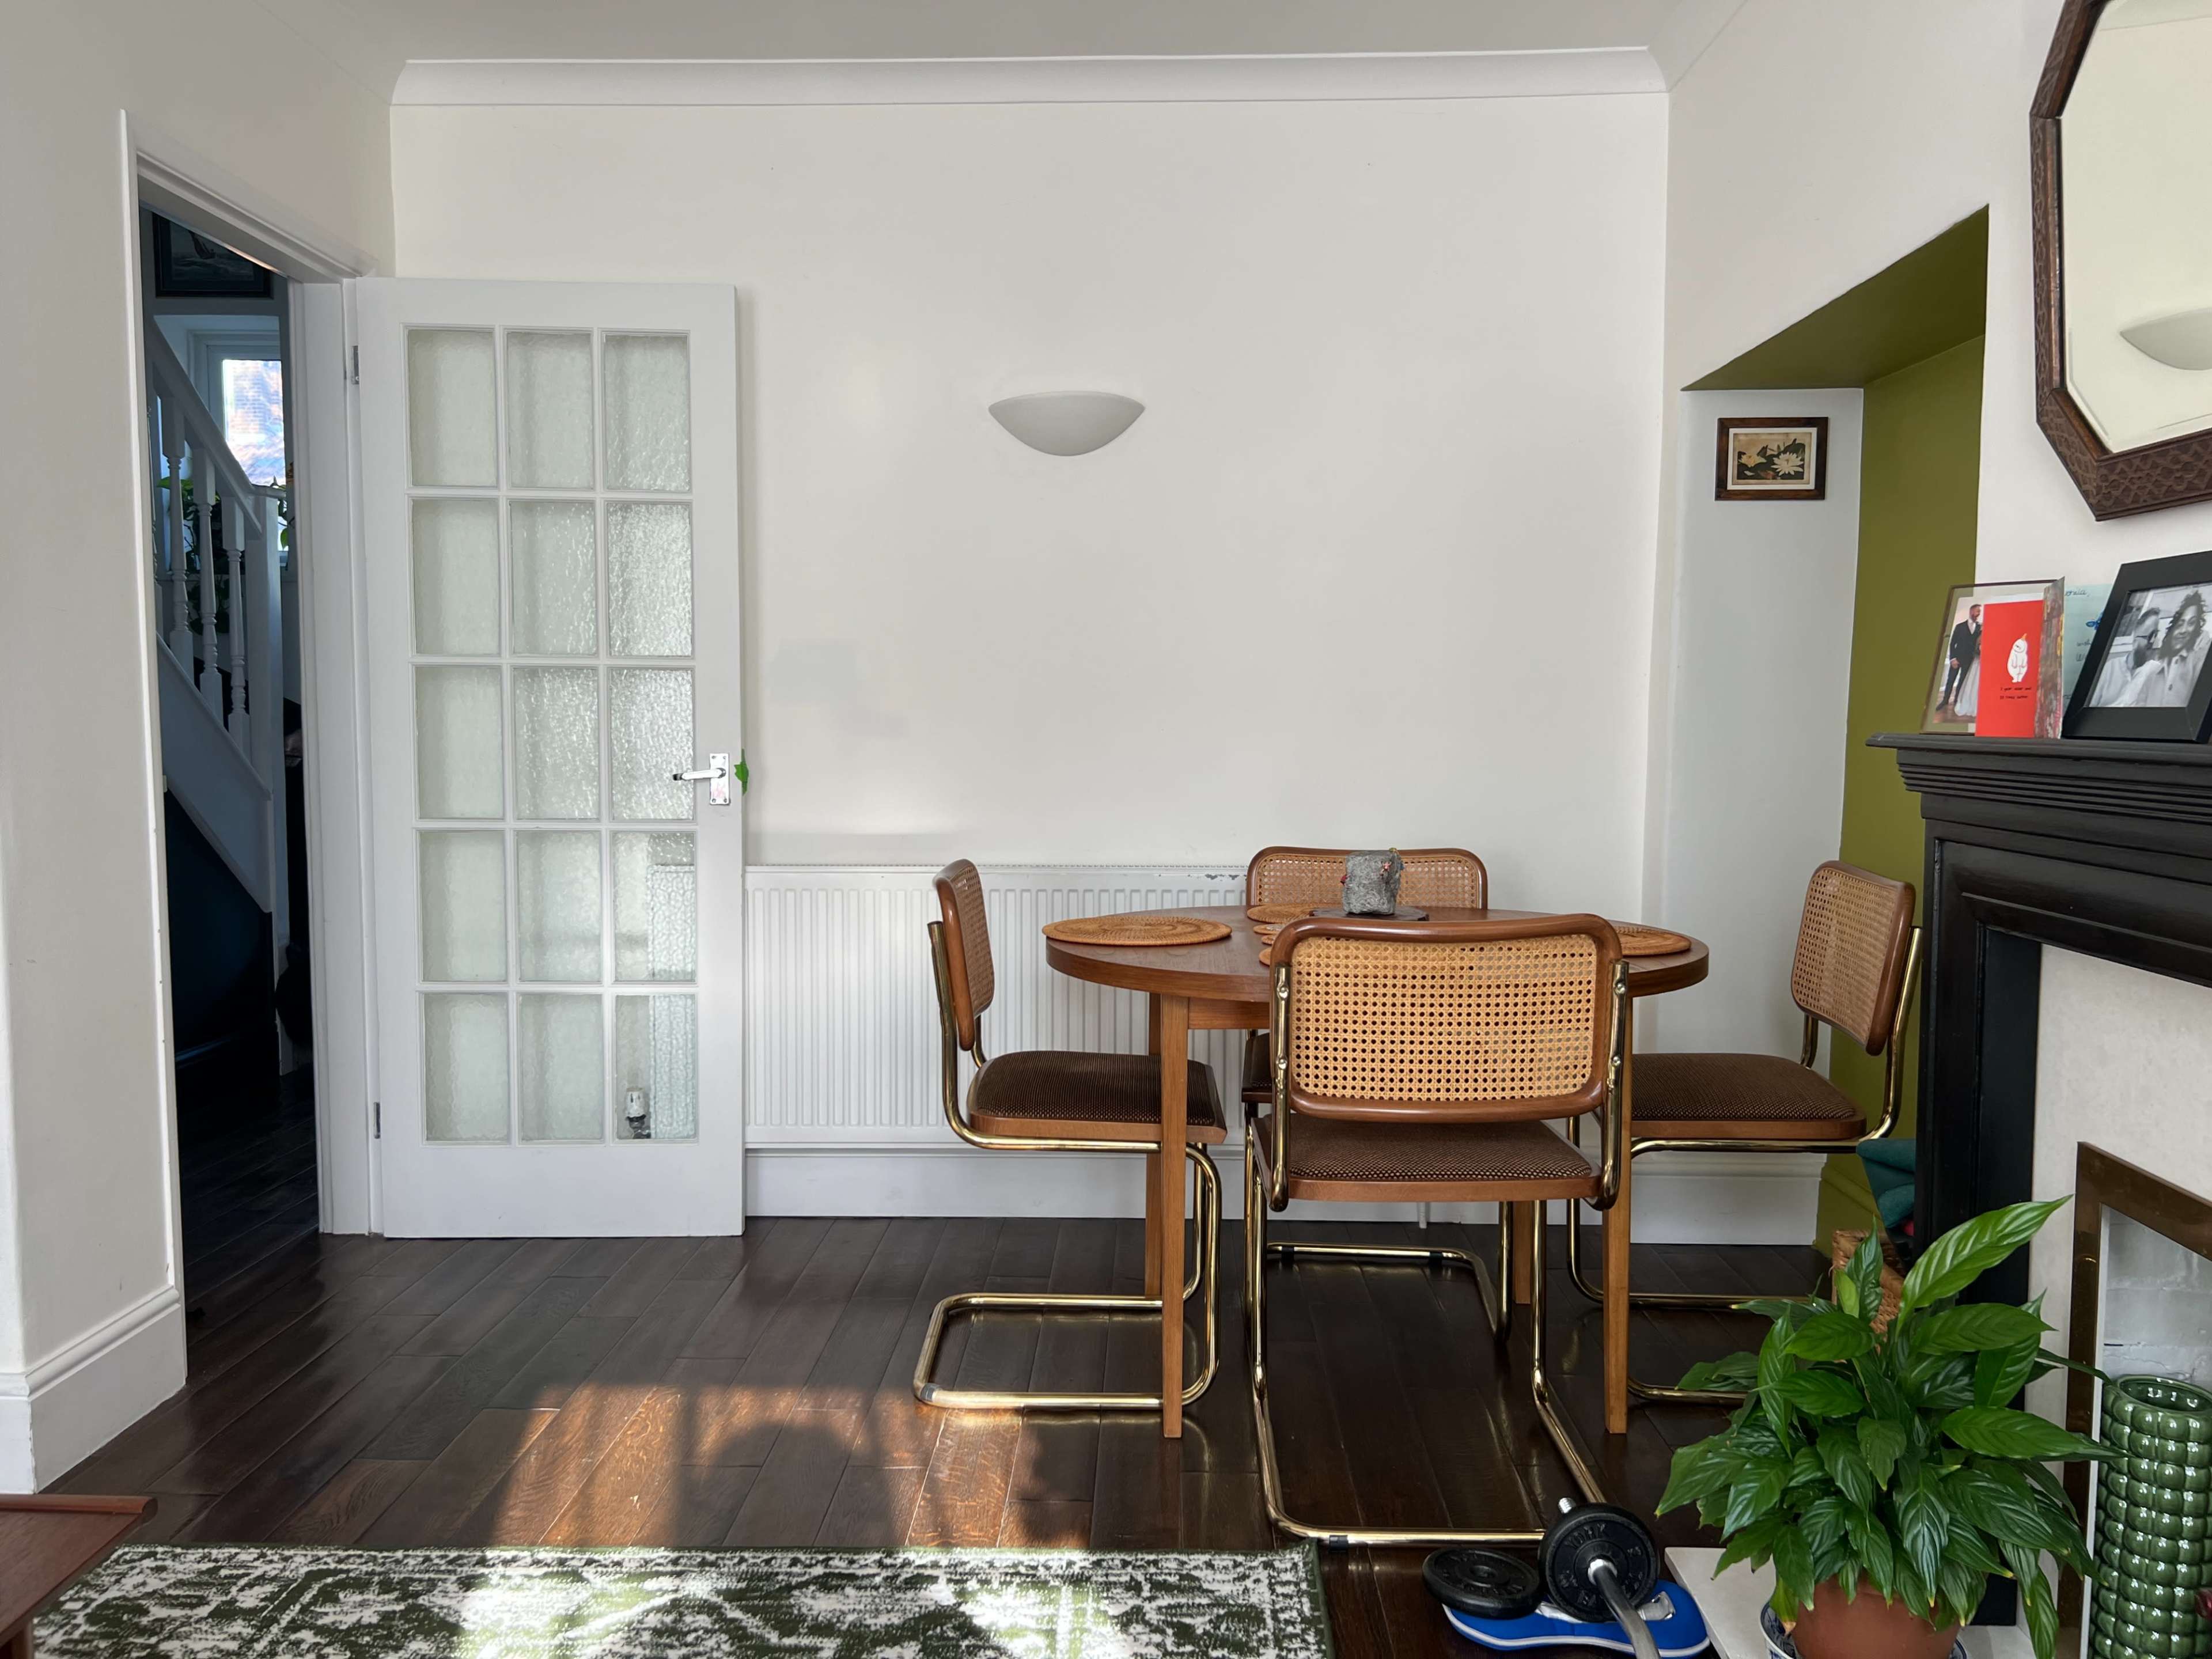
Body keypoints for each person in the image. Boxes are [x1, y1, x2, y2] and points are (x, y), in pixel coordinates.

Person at [1940, 604, 1982, 714]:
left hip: (1969, 660)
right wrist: (1953, 659)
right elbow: (1953, 643)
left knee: (1962, 681)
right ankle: (1945, 700)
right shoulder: (1959, 627)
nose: (1979, 614)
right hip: (1957, 659)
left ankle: (1957, 700)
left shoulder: (1979, 628)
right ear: (1972, 611)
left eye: (1980, 612)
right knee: (1951, 680)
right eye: (1978, 612)